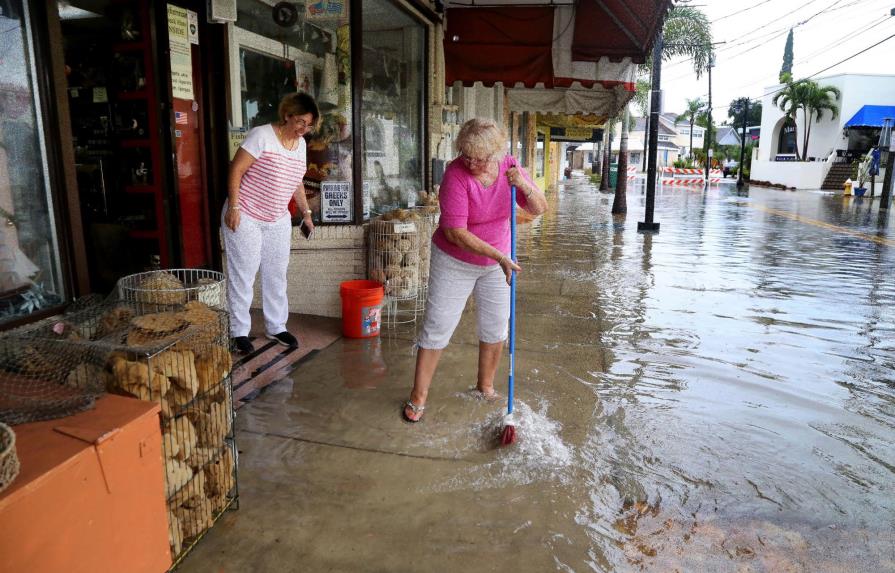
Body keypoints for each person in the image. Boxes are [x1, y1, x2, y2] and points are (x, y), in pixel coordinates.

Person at [403, 118, 547, 423]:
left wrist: (522, 185)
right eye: (466, 154)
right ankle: (418, 396)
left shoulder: (509, 166)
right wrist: (499, 256)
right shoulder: (455, 175)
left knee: (496, 325)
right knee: (437, 325)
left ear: (496, 152)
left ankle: (485, 386)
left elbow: (539, 208)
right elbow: (455, 231)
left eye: (479, 158)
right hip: (455, 259)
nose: (471, 162)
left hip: (498, 263)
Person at [223, 92, 319, 354]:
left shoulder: (299, 145)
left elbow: (296, 180)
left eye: (308, 125)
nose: (303, 129)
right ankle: (238, 331)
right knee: (244, 272)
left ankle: (276, 326)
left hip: (277, 217)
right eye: (300, 122)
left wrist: (306, 214)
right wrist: (233, 207)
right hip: (246, 215)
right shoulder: (262, 136)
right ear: (287, 115)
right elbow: (236, 170)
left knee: (276, 272)